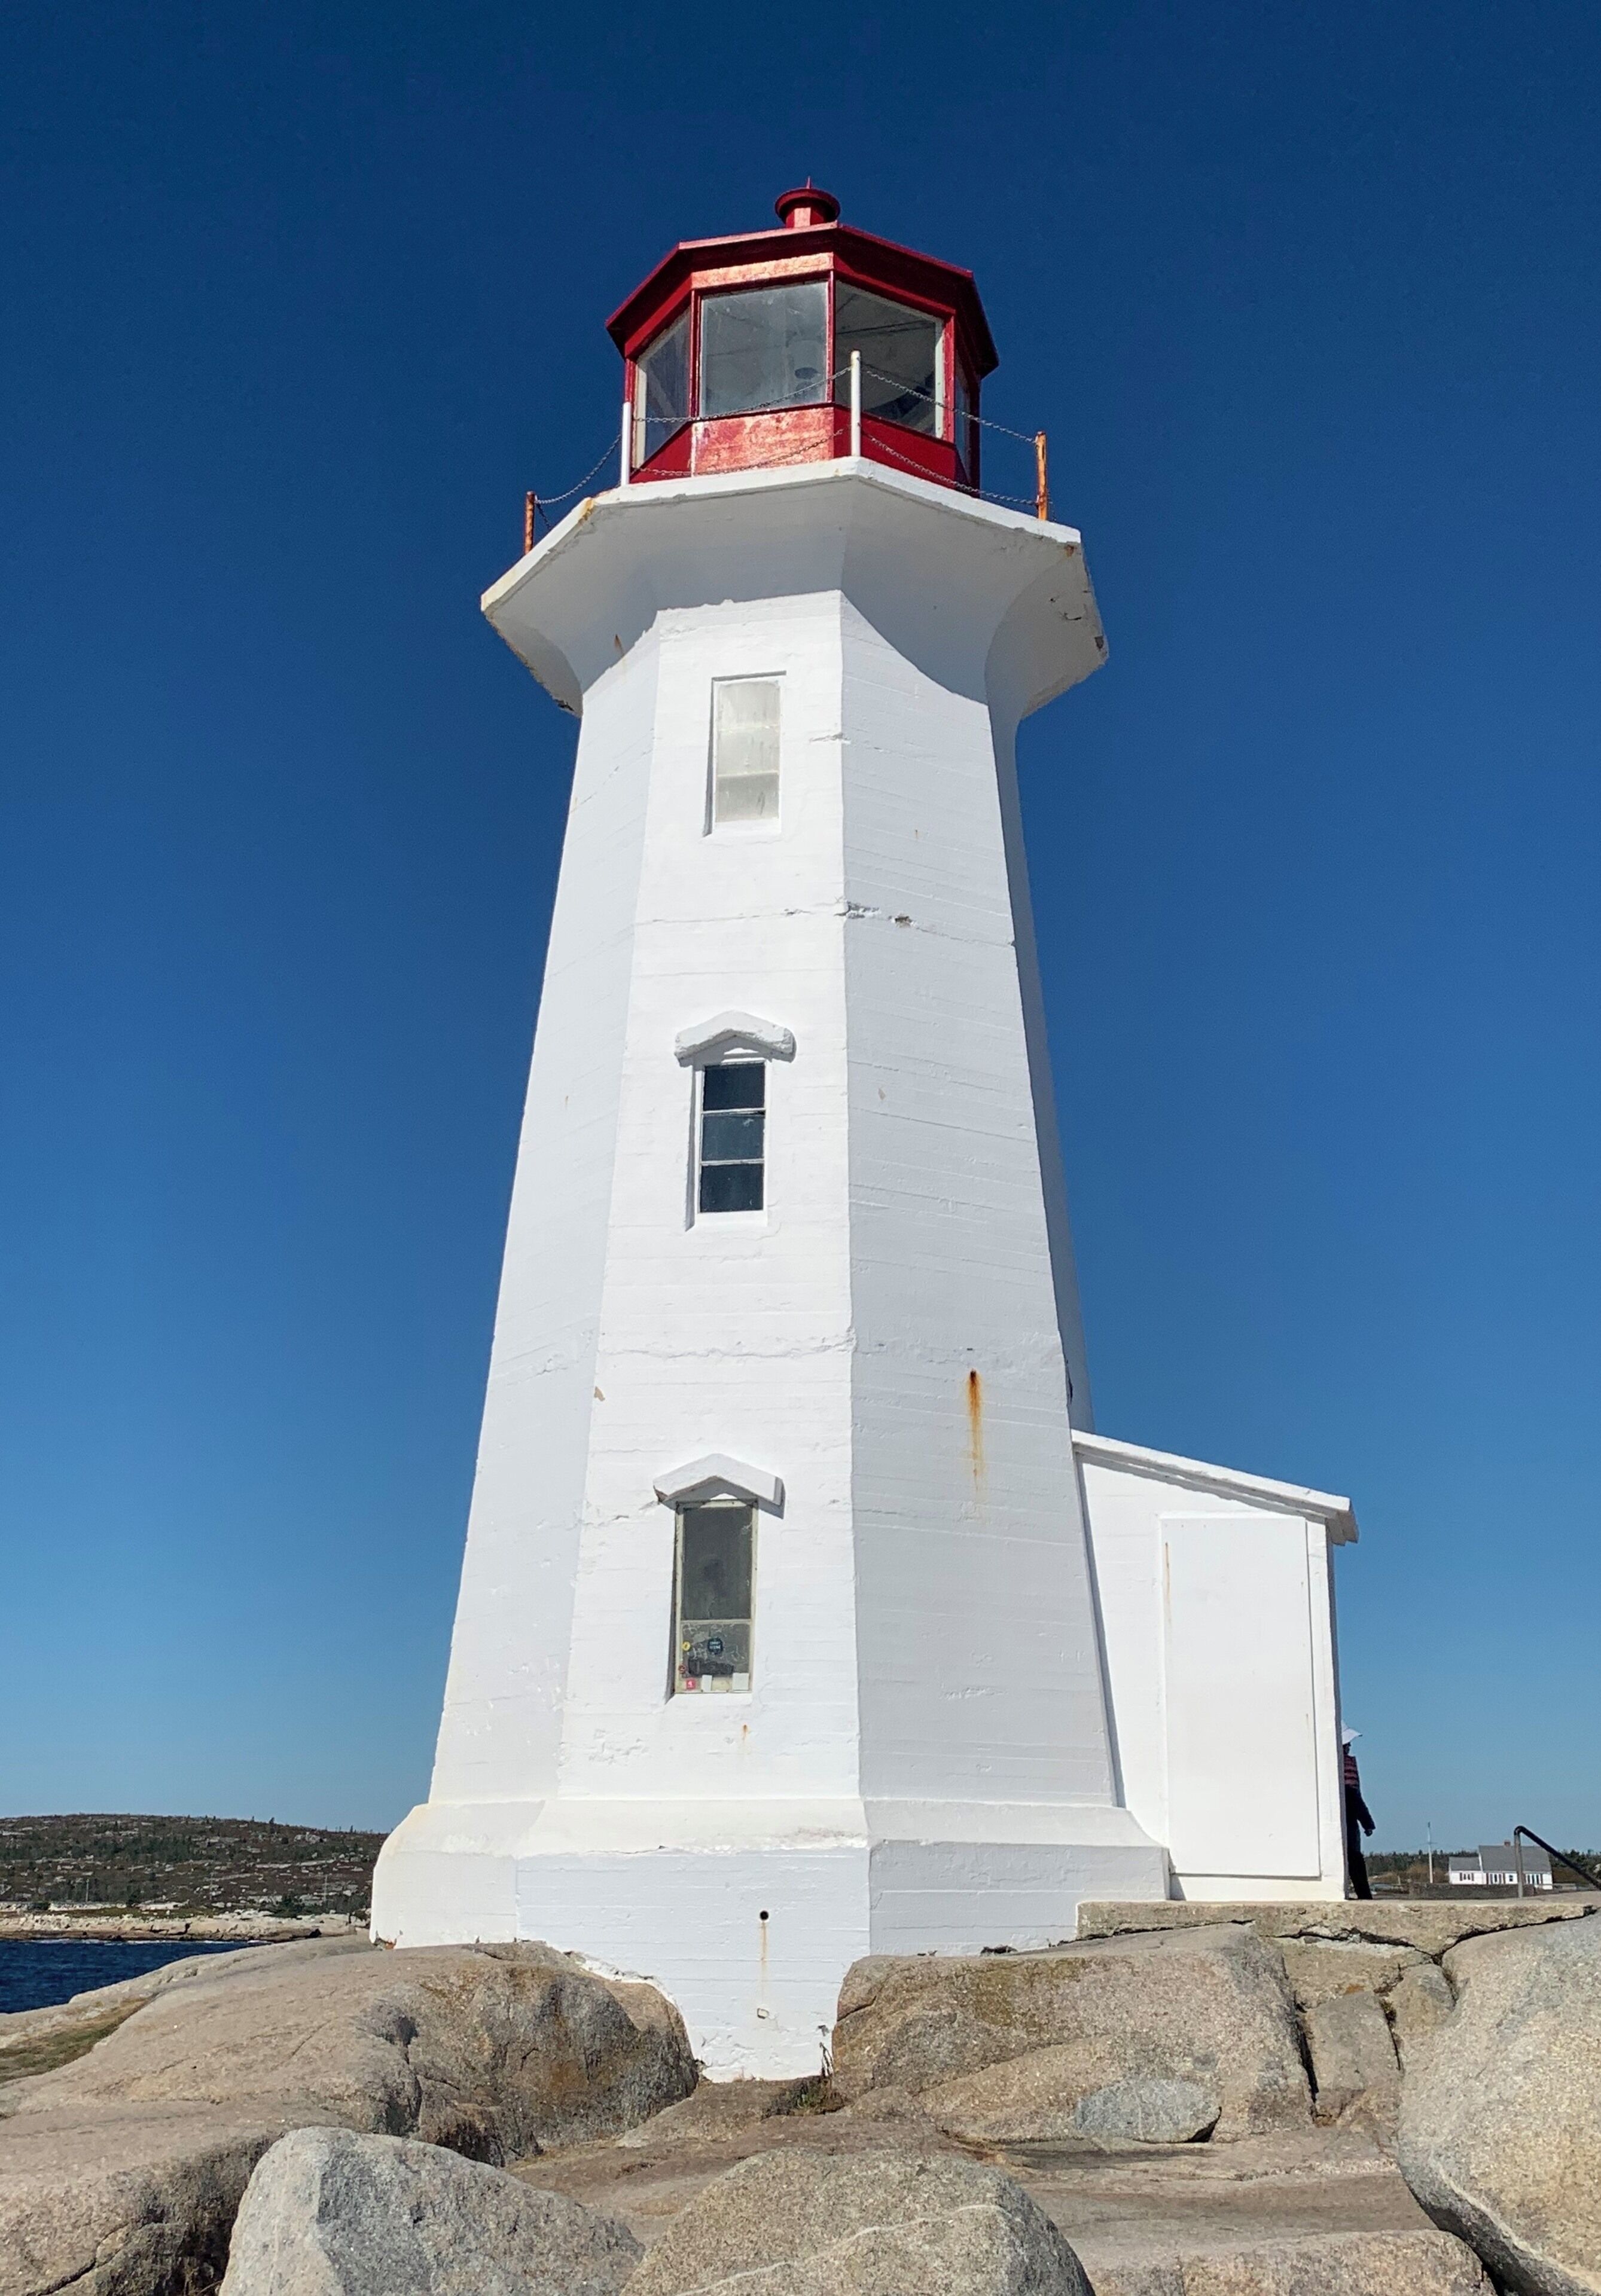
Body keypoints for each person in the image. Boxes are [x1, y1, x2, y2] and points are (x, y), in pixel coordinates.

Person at [1343, 1727, 1376, 1898]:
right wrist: (1367, 1823)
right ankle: (1364, 1896)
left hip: (1347, 1816)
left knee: (1352, 1859)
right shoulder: (1347, 1765)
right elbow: (1354, 1795)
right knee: (1355, 1858)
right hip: (1349, 1817)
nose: (1349, 1747)